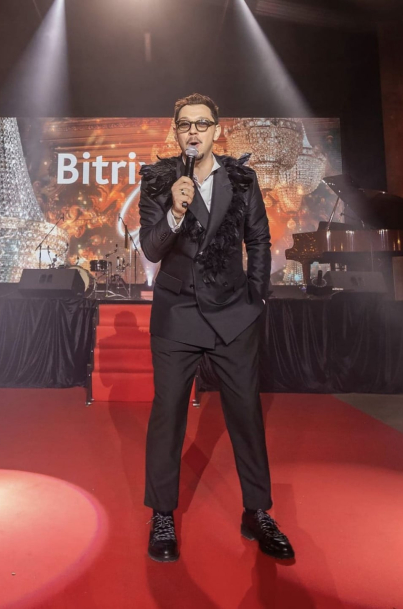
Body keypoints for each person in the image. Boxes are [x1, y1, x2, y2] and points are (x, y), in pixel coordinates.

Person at [138, 93, 294, 563]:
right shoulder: (159, 179)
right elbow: (151, 248)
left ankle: (257, 512)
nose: (193, 131)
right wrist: (175, 211)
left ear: (216, 130)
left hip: (233, 313)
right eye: (185, 124)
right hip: (177, 313)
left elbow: (259, 240)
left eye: (202, 124)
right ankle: (162, 514)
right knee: (168, 415)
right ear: (175, 131)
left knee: (246, 414)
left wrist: (257, 298)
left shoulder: (242, 179)